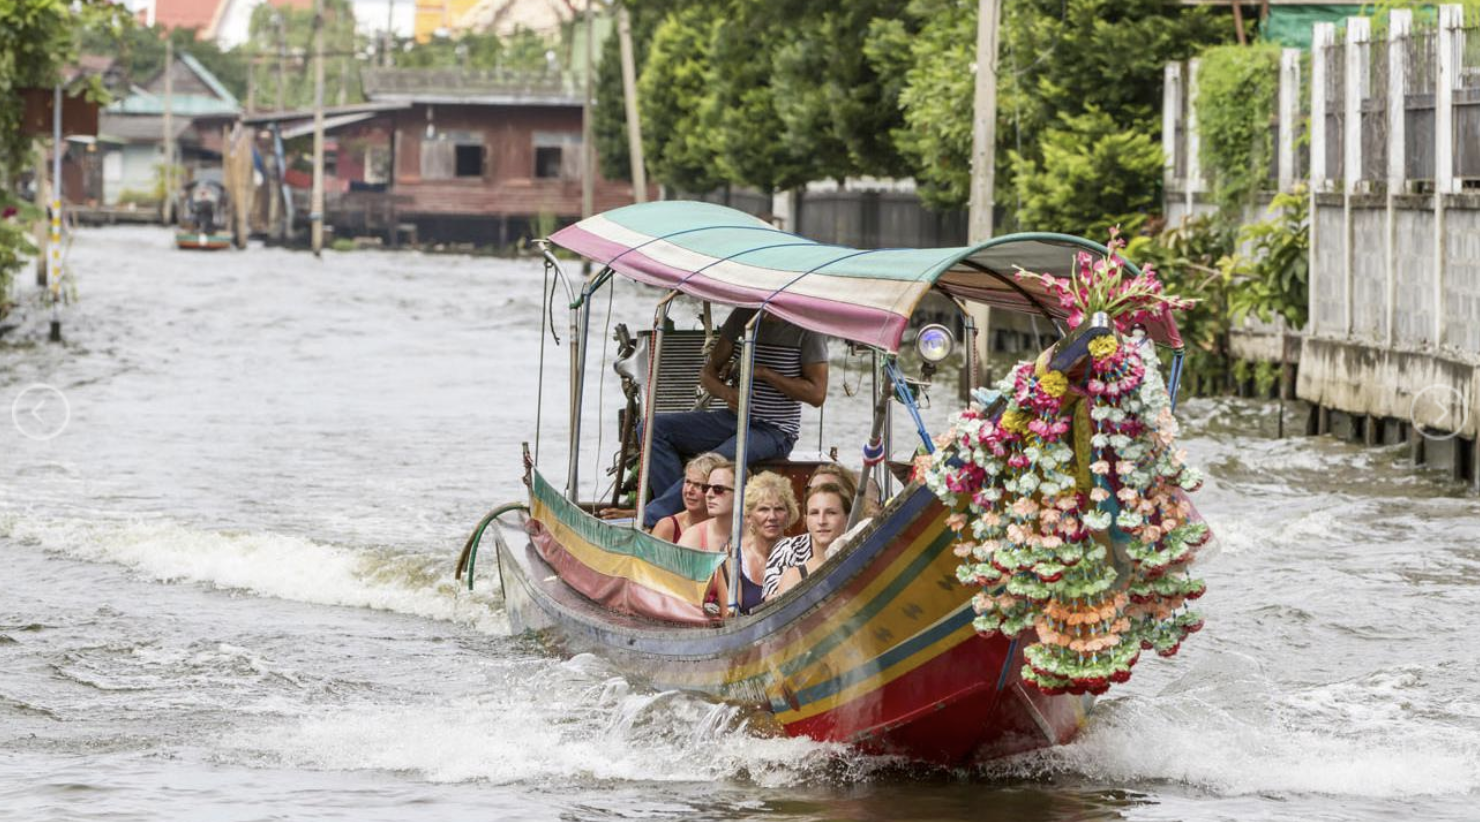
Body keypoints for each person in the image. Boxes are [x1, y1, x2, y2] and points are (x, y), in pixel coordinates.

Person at [642, 308, 828, 529]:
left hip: (775, 430)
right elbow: (707, 373)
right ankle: (683, 516)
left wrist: (765, 373)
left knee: (717, 461)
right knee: (652, 428)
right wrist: (727, 393)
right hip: (733, 418)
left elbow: (817, 395)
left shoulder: (807, 328)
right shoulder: (743, 315)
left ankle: (650, 518)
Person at [766, 482, 852, 599]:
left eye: (831, 512)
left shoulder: (863, 564)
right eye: (814, 513)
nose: (821, 521)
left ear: (847, 518)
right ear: (806, 520)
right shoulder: (793, 578)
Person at [651, 452, 726, 542]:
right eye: (688, 482)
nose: (689, 490)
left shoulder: (727, 529)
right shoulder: (667, 527)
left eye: (698, 485)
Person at [677, 461, 736, 554]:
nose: (708, 494)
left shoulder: (757, 533)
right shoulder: (692, 537)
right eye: (706, 488)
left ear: (742, 493)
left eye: (718, 489)